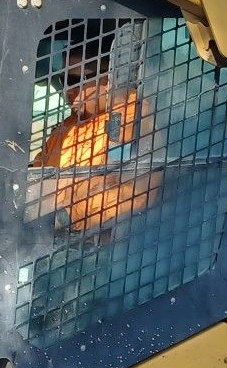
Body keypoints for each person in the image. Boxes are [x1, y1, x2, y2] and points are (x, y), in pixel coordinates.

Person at [33, 41, 147, 232]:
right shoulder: (68, 127)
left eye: (76, 80)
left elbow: (136, 196)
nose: (68, 90)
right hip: (57, 239)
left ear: (108, 80)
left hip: (100, 246)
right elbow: (39, 174)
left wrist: (65, 216)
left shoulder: (130, 120)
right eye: (64, 80)